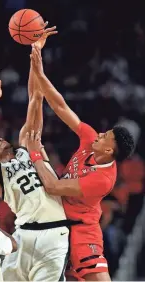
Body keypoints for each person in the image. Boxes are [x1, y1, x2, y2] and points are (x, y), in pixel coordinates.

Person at [26, 46, 135, 281]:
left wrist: (36, 155)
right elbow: (61, 106)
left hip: (82, 229)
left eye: (105, 137)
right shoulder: (89, 138)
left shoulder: (103, 180)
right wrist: (39, 71)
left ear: (108, 150)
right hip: (54, 222)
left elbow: (53, 186)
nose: (99, 135)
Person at [0, 26, 71, 281]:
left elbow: (35, 98)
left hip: (53, 235)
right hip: (22, 238)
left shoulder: (27, 145)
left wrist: (35, 52)